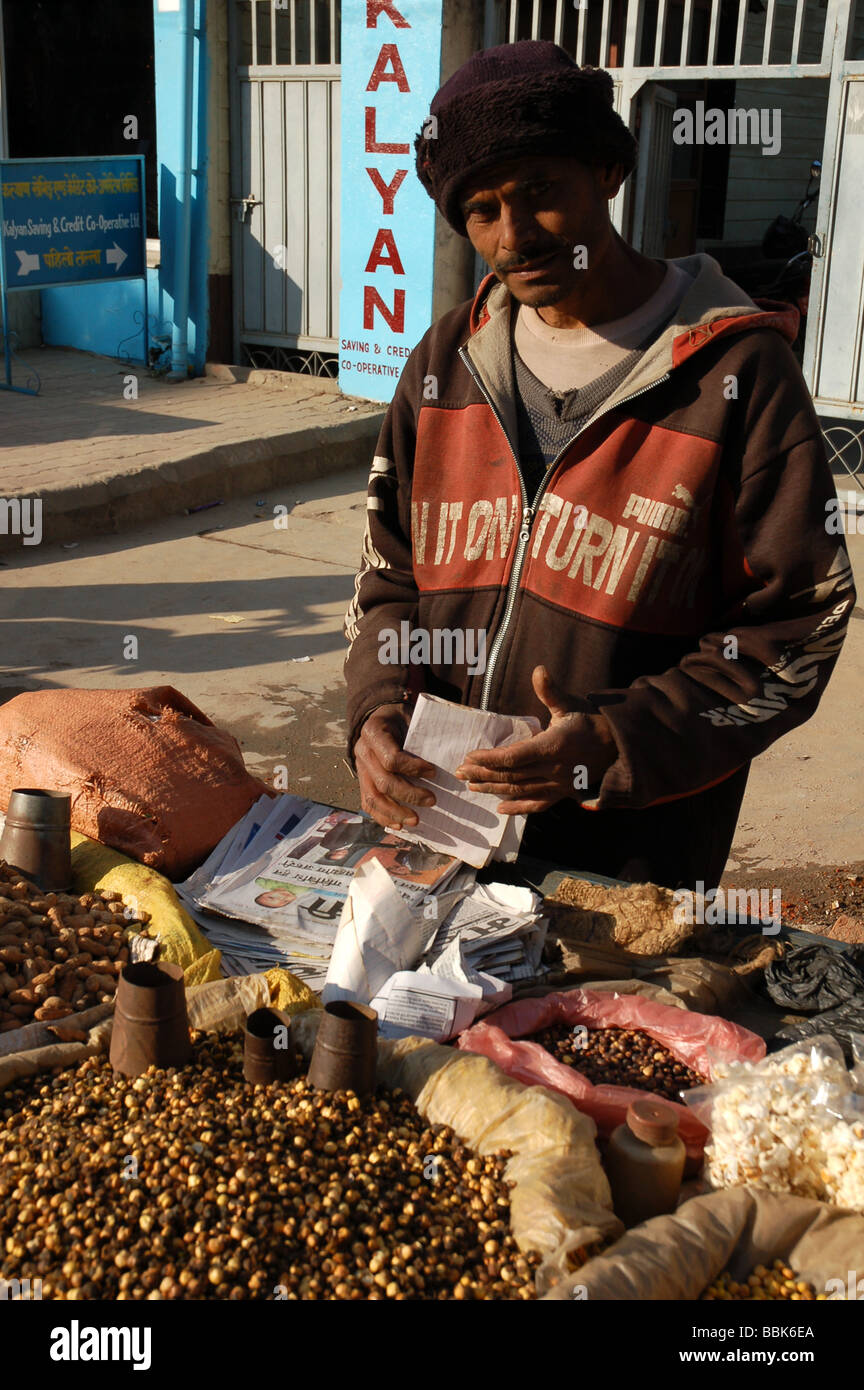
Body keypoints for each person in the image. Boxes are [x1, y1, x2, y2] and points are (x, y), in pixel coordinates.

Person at [343, 40, 855, 892]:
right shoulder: (444, 365)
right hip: (439, 835)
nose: (515, 235)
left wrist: (615, 742)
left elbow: (797, 623)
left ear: (608, 170)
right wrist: (377, 712)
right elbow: (389, 574)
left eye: (540, 190)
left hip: (633, 860)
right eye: (481, 209)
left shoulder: (735, 375)